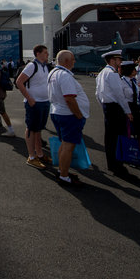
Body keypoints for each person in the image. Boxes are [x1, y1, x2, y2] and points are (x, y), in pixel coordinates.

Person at [48, 50, 90, 186]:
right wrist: (78, 114)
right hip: (68, 114)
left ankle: (62, 170)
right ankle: (64, 176)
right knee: (68, 146)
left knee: (64, 144)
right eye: (73, 59)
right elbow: (70, 98)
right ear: (66, 61)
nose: (74, 61)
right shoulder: (64, 75)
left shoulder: (53, 73)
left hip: (58, 112)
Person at [95, 50, 134, 178]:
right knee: (117, 137)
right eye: (119, 60)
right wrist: (127, 111)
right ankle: (118, 165)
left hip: (108, 107)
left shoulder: (101, 73)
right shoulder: (112, 74)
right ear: (113, 60)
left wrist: (104, 107)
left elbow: (97, 94)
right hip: (115, 108)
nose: (121, 62)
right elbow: (119, 94)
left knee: (110, 137)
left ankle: (111, 163)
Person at [15, 45, 52, 169]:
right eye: (45, 52)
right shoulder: (32, 66)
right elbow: (19, 82)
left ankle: (40, 154)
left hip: (44, 102)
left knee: (38, 129)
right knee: (31, 128)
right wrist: (29, 98)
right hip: (34, 102)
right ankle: (31, 157)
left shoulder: (45, 66)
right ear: (38, 53)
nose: (47, 54)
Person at [120, 61, 140, 167]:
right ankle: (129, 157)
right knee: (128, 134)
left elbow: (138, 96)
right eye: (133, 69)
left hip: (137, 109)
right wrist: (127, 112)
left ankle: (136, 155)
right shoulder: (122, 82)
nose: (135, 71)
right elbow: (122, 98)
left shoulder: (134, 81)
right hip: (128, 109)